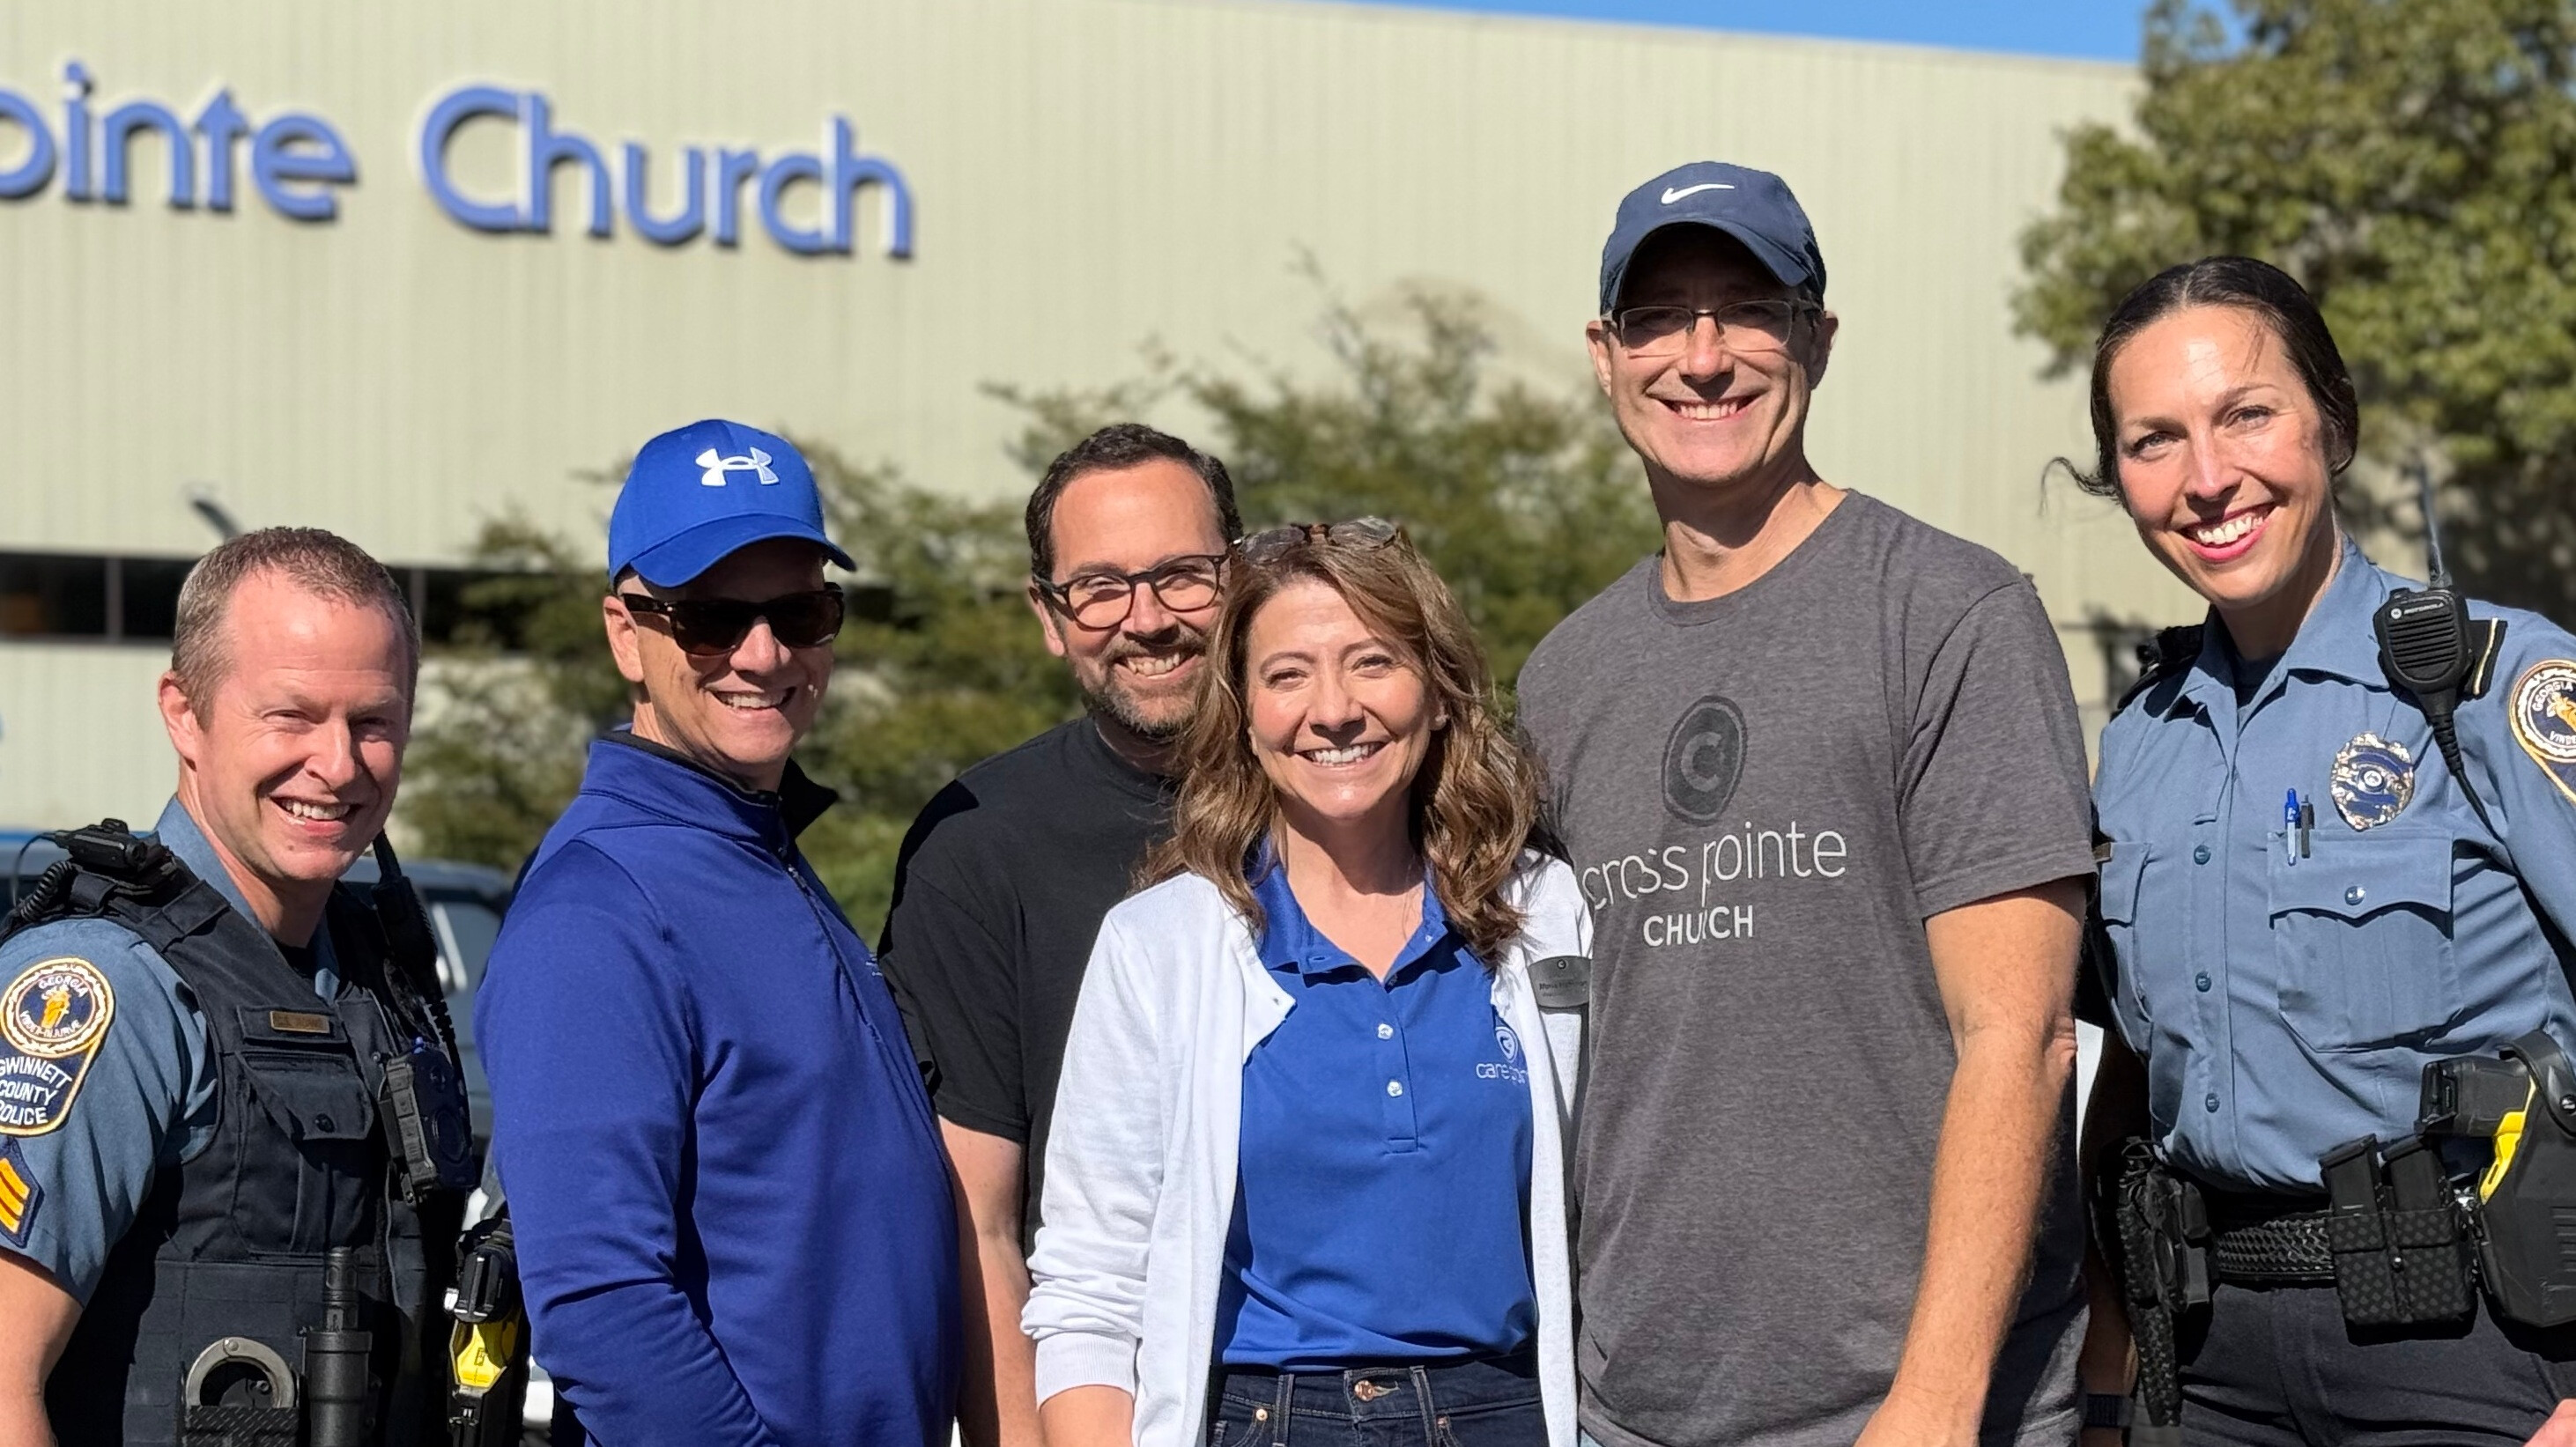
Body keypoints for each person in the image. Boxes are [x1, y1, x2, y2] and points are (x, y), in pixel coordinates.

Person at [1512, 160, 2099, 1447]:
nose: (1703, 355)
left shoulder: (1949, 614)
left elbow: (2025, 1034)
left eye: (1749, 308)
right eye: (1660, 317)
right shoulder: (1563, 677)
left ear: (1817, 340)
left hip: (1906, 1410)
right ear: (1607, 356)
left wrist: (1935, 1405)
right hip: (1631, 1411)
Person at [2076, 256, 2576, 1446]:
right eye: (2154, 440)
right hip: (2204, 1364)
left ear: (2332, 423)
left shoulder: (2494, 683)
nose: (2208, 479)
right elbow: (2125, 1090)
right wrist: (2109, 1375)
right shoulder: (2138, 746)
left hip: (2472, 1358)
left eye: (2248, 414)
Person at [1024, 520, 1588, 1447]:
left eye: (1371, 662)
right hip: (1263, 1418)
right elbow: (1090, 1279)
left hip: (1508, 1414)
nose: (1332, 710)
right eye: (1286, 675)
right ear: (1242, 713)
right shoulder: (1162, 944)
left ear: (1438, 692)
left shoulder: (1543, 911)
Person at [475, 419, 959, 1447]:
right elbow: (601, 1302)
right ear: (625, 632)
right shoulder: (599, 907)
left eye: (801, 609)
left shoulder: (756, 850)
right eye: (707, 618)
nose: (763, 653)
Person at [0, 528, 465, 1446]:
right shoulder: (111, 990)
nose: (337, 764)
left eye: (372, 721)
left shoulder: (372, 978)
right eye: (291, 715)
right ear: (184, 710)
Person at [877, 423, 1240, 1447]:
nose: (1148, 619)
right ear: (1050, 614)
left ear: (1241, 578)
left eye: (1182, 575)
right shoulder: (978, 844)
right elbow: (982, 1224)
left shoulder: (1351, 794)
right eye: (1101, 587)